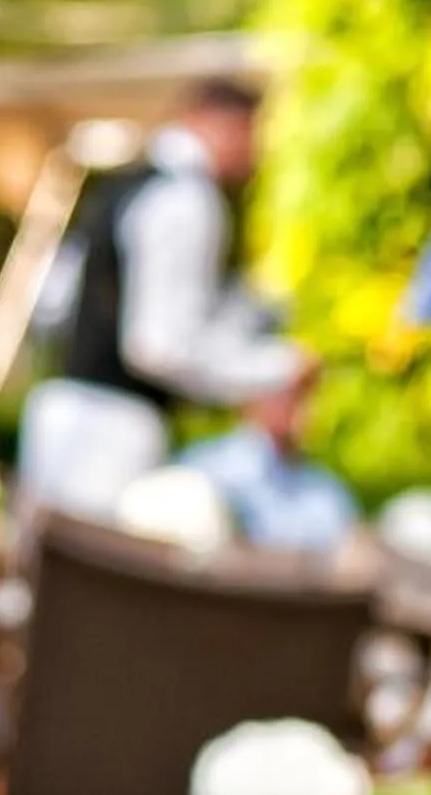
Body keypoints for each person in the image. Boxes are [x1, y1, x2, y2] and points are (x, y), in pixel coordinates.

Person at [18, 79, 315, 524]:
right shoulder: (186, 199)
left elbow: (52, 302)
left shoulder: (127, 182)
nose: (255, 152)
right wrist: (276, 368)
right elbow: (160, 347)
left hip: (62, 412)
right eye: (250, 132)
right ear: (214, 122)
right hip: (112, 430)